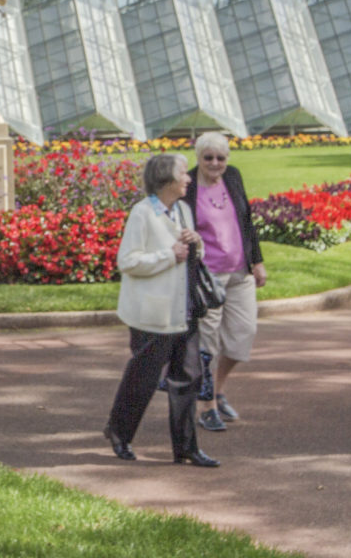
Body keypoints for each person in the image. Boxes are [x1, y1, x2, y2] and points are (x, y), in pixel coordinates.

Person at [103, 153, 219, 467]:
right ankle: (119, 433)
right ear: (167, 178)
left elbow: (192, 255)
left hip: (184, 310)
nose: (189, 179)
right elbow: (127, 261)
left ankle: (186, 448)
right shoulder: (142, 214)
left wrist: (196, 244)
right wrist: (169, 255)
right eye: (184, 173)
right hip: (151, 315)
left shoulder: (182, 209)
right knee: (142, 379)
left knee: (189, 378)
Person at [185, 132, 267, 434]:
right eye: (208, 158)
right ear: (198, 158)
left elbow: (246, 221)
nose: (215, 163)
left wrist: (257, 260)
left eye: (220, 157)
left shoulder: (233, 176)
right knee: (208, 343)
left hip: (239, 272)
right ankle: (206, 407)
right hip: (207, 277)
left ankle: (217, 390)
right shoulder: (188, 186)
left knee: (243, 334)